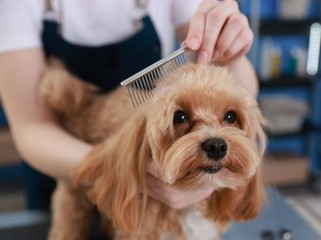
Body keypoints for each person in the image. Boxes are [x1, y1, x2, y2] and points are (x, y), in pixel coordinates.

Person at [0, 0, 258, 210]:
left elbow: (245, 94)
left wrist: (233, 55)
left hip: (165, 169)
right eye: (181, 117)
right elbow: (31, 126)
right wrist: (124, 170)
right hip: (63, 165)